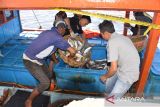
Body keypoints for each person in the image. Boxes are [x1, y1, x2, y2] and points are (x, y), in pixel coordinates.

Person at [23, 21, 76, 107]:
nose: (64, 32)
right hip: (29, 60)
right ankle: (28, 101)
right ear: (61, 29)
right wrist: (70, 56)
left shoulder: (49, 32)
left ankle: (44, 89)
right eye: (64, 29)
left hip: (38, 59)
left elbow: (51, 49)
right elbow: (73, 51)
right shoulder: (57, 38)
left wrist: (55, 60)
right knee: (45, 83)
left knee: (49, 74)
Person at [99, 20, 140, 99]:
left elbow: (113, 69)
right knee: (108, 85)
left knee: (111, 100)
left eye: (101, 34)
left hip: (128, 75)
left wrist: (104, 76)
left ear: (106, 33)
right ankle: (107, 95)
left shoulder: (112, 42)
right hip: (122, 68)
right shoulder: (123, 37)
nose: (102, 36)